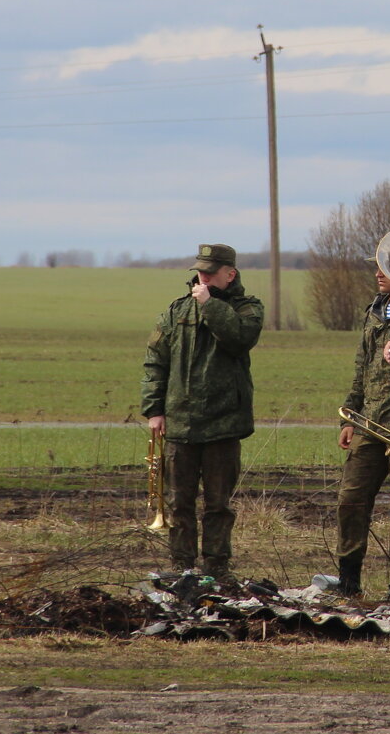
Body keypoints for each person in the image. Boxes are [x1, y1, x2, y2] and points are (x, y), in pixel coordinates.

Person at [141, 243, 264, 578]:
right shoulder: (177, 310)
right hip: (180, 422)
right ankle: (181, 566)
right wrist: (154, 409)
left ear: (230, 274)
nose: (203, 277)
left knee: (218, 505)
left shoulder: (247, 308)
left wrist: (210, 306)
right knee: (179, 502)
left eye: (210, 272)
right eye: (200, 271)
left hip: (224, 423)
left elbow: (240, 339)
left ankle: (216, 567)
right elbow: (155, 362)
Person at [334, 260, 390, 596]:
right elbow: (362, 368)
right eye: (377, 268)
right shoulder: (375, 310)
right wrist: (350, 417)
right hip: (368, 423)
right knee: (350, 500)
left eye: (385, 268)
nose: (377, 274)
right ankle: (348, 580)